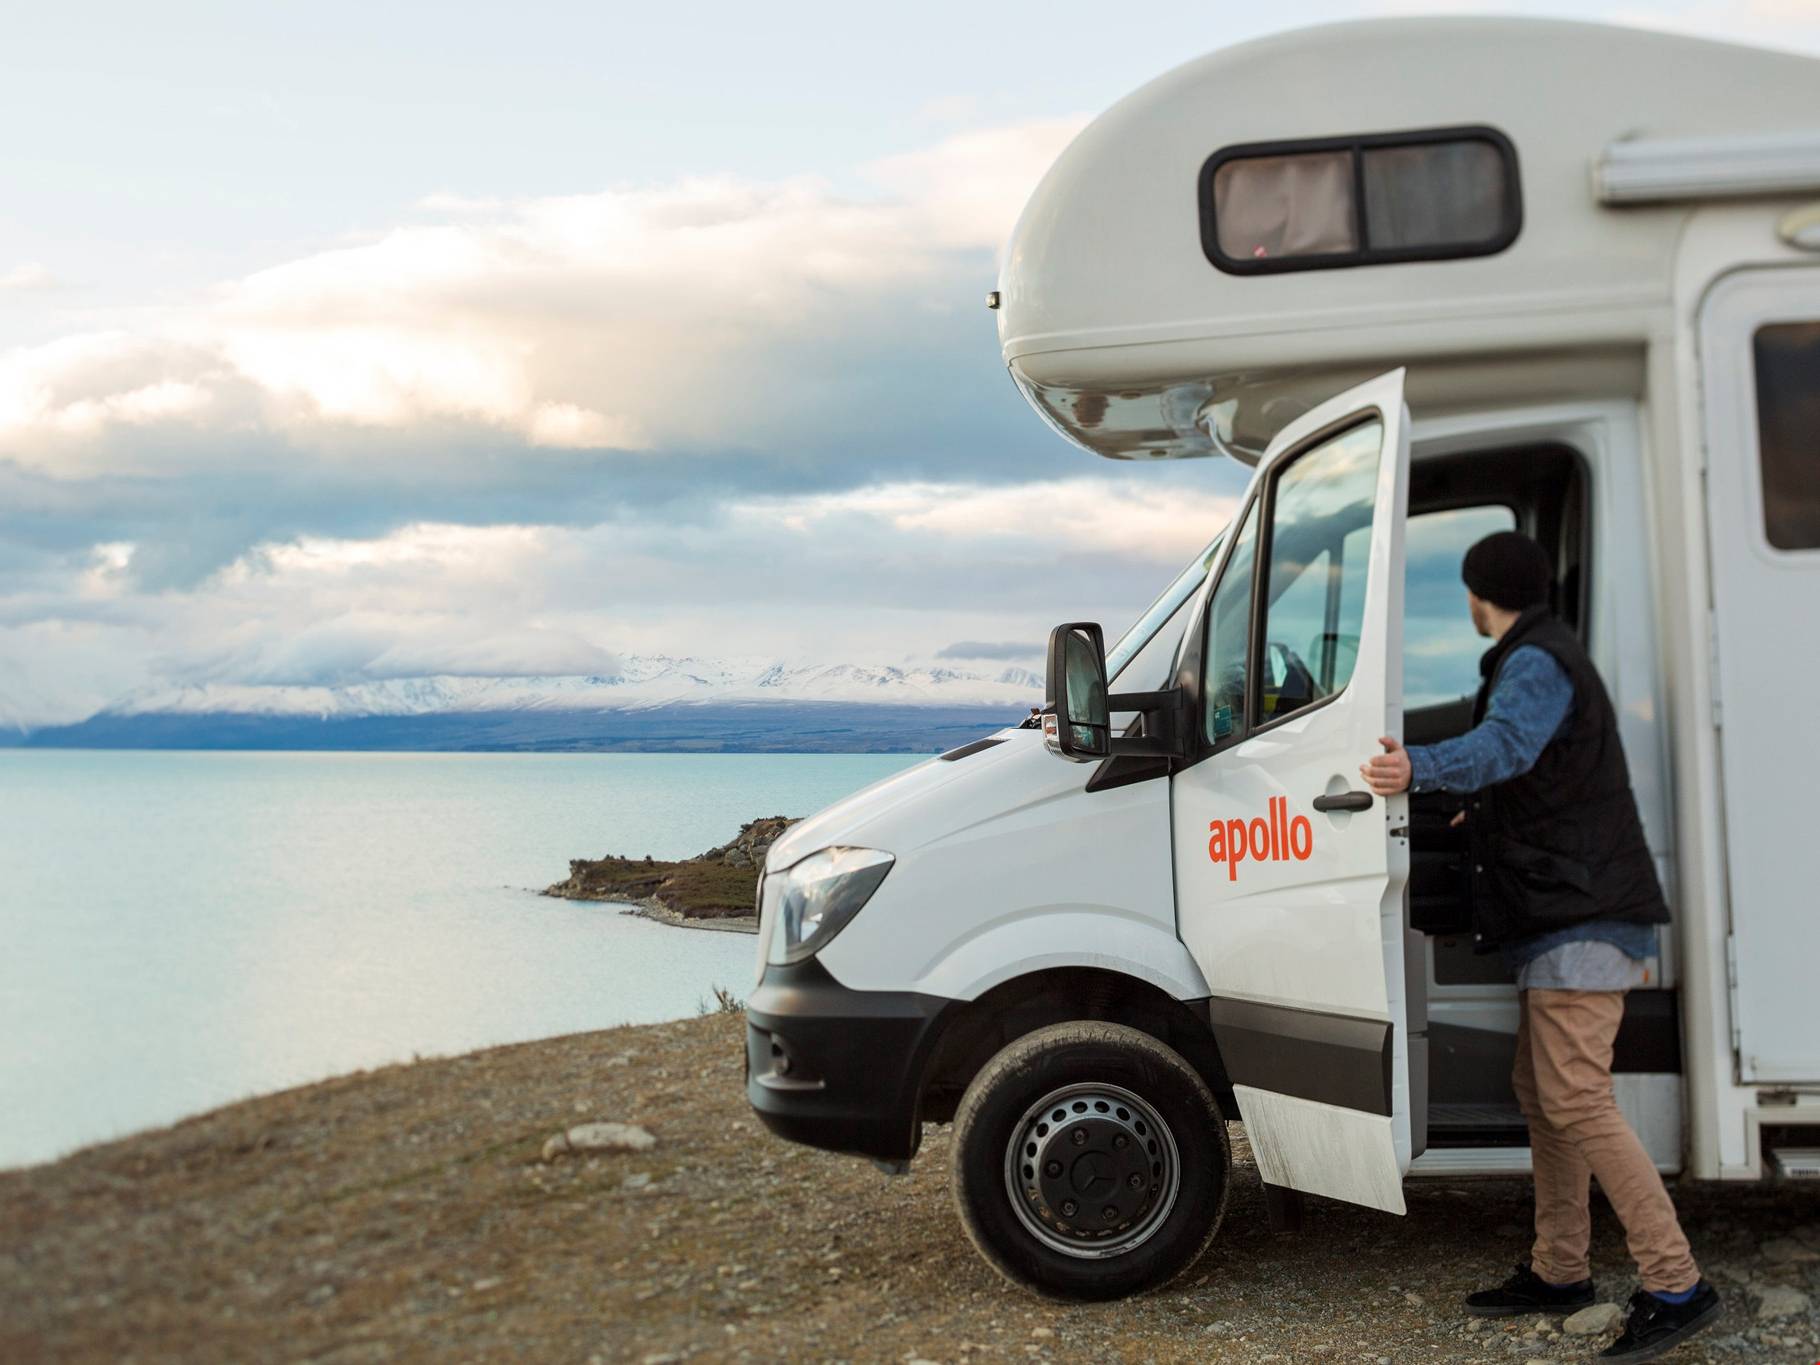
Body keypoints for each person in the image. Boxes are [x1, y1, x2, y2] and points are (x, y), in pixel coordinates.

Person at [1359, 530, 1720, 1362]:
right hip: (1569, 913)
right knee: (1546, 1090)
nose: (1470, 604)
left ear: (1482, 593)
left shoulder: (1534, 662)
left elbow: (1507, 748)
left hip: (1582, 916)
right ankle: (1560, 1268)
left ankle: (1676, 1282)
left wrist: (1419, 767)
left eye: (1470, 592)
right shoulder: (1539, 655)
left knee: (1577, 1097)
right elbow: (1538, 776)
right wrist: (1475, 814)